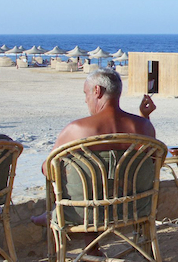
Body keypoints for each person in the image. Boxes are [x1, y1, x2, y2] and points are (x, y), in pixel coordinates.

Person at [33, 68, 156, 228]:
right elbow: (153, 163)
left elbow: (49, 169)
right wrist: (144, 116)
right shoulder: (144, 126)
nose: (86, 100)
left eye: (86, 93)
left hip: (84, 214)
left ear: (97, 91)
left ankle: (62, 220)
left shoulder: (76, 129)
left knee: (86, 182)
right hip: (134, 209)